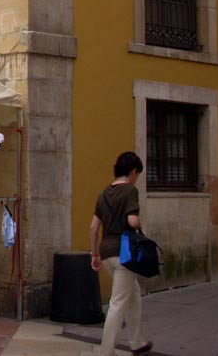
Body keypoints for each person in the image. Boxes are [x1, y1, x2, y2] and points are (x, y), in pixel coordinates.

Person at [89, 151, 153, 356]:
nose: (136, 178)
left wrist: (94, 255)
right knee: (117, 304)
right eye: (137, 174)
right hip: (124, 254)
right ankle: (106, 351)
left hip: (106, 252)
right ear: (133, 171)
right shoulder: (129, 191)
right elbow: (133, 221)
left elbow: (93, 228)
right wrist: (141, 229)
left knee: (133, 295)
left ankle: (137, 342)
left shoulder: (104, 194)